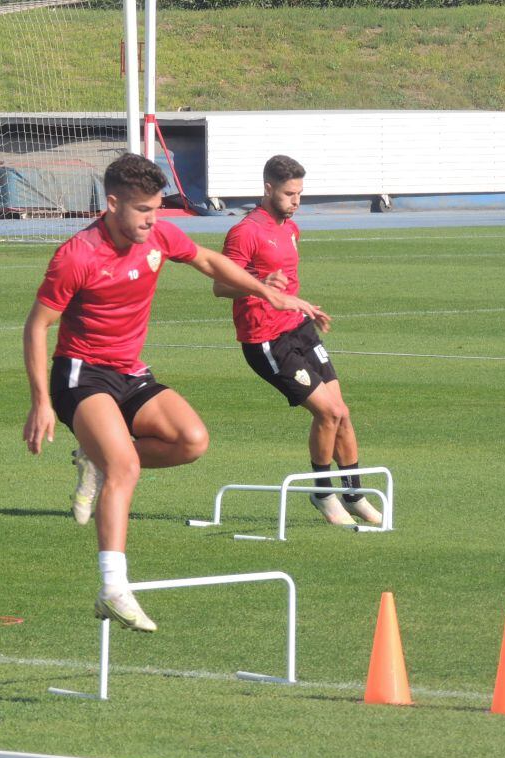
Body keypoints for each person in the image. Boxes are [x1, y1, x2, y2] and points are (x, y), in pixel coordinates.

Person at [23, 153, 324, 632]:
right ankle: (113, 587)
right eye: (143, 210)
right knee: (124, 465)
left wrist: (268, 293)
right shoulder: (77, 255)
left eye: (157, 208)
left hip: (130, 372)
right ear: (114, 202)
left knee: (191, 440)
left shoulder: (160, 235)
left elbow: (207, 260)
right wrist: (41, 401)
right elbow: (37, 327)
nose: (152, 220)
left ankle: (94, 460)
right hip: (81, 375)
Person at [214, 155, 382, 528]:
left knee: (343, 413)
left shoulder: (291, 228)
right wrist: (258, 285)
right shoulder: (245, 232)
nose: (296, 201)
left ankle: (354, 494)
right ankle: (323, 493)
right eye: (290, 193)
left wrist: (305, 308)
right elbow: (220, 285)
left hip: (298, 327)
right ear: (268, 188)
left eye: (300, 194)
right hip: (266, 341)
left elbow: (288, 283)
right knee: (329, 413)